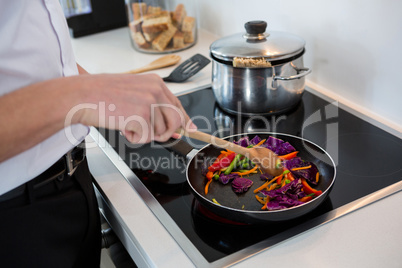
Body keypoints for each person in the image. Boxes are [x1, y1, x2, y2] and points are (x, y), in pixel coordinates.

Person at [0, 0, 196, 267]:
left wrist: (108, 99)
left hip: (72, 180)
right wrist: (86, 94)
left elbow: (34, 57)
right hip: (13, 217)